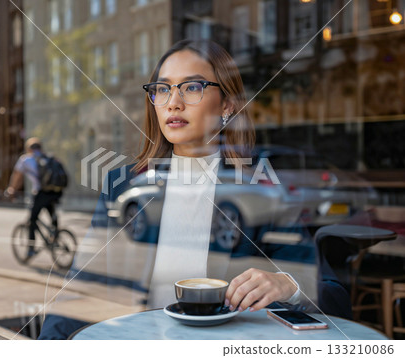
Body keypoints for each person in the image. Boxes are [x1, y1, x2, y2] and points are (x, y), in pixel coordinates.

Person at [39, 40, 305, 339]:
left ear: (228, 104)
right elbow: (81, 289)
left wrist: (288, 284)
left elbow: (327, 288)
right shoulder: (123, 185)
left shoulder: (261, 184)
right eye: (162, 89)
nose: (173, 102)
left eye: (192, 87)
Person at [7, 137, 62, 256]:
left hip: (41, 193)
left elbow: (17, 176)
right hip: (56, 192)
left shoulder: (26, 159)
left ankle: (31, 248)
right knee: (52, 215)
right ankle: (55, 236)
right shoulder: (49, 157)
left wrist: (12, 190)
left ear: (28, 148)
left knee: (32, 220)